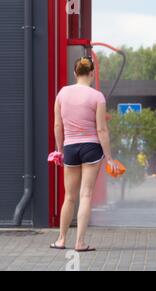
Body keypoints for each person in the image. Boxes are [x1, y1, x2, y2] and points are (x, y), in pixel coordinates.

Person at [51, 57, 119, 252]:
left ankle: (61, 240)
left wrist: (59, 150)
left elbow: (57, 125)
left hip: (70, 147)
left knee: (69, 197)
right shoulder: (97, 97)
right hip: (91, 147)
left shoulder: (62, 93)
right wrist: (109, 158)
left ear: (75, 73)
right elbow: (102, 130)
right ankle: (80, 243)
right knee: (86, 194)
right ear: (92, 73)